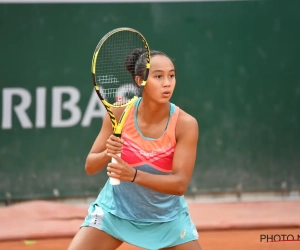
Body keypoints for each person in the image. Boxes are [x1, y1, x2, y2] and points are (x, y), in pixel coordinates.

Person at [68, 49, 202, 250]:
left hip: (167, 220)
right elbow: (90, 166)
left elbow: (179, 185)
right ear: (140, 81)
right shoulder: (119, 113)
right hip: (114, 214)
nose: (167, 83)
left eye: (171, 75)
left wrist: (133, 175)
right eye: (158, 76)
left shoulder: (185, 124)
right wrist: (108, 152)